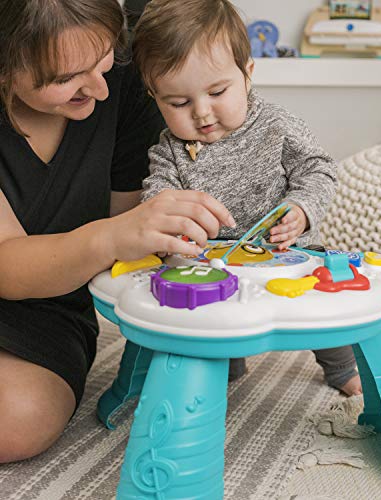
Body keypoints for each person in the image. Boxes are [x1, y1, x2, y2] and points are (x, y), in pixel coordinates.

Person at [0, 0, 235, 463]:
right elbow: (7, 262)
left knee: (18, 419)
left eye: (104, 54)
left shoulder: (123, 86)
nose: (99, 88)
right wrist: (115, 234)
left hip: (48, 309)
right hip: (12, 273)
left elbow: (131, 242)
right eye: (65, 78)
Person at [133, 0, 362, 395]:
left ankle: (341, 368)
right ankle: (227, 364)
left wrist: (301, 210)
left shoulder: (277, 125)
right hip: (210, 260)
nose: (202, 113)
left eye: (218, 91)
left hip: (285, 251)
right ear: (154, 97)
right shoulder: (169, 149)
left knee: (318, 305)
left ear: (247, 74)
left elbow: (319, 170)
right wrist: (171, 230)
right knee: (205, 315)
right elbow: (157, 198)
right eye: (179, 103)